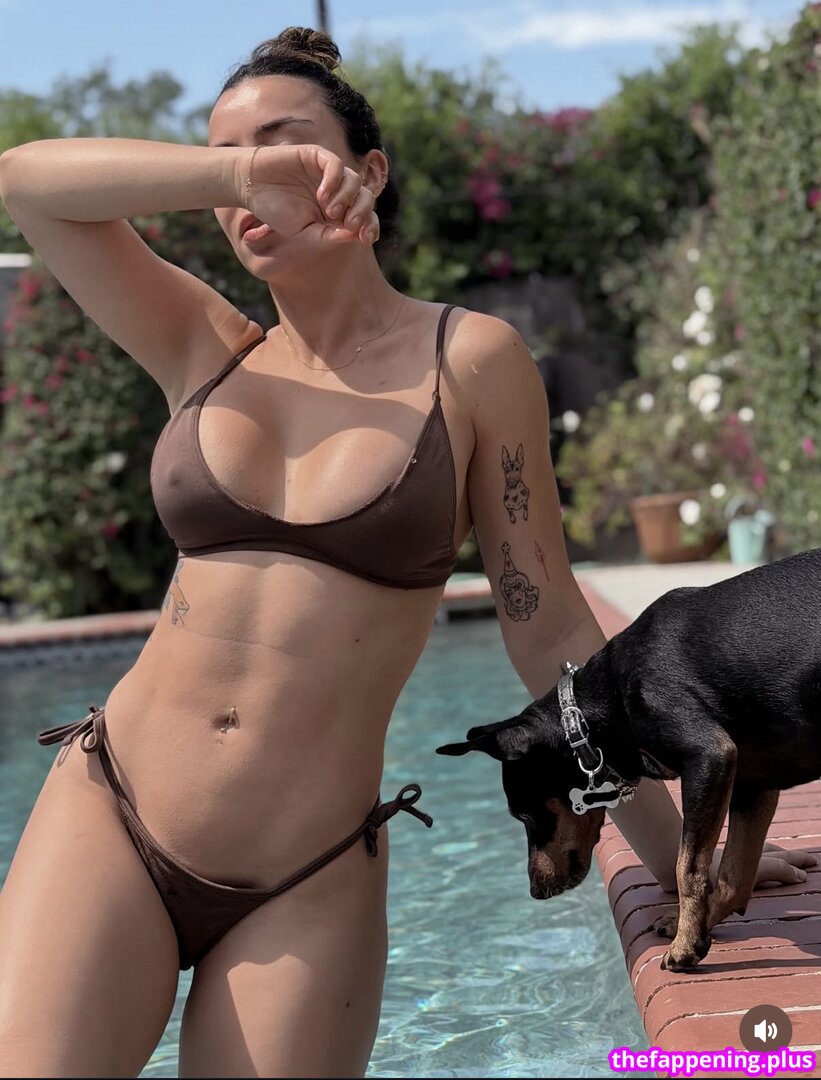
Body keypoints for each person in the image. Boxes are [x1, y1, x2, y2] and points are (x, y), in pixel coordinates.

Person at [0, 26, 813, 1079]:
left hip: (307, 872)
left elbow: (549, 628)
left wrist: (675, 858)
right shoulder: (203, 345)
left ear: (369, 172)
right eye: (225, 158)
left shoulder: (466, 360)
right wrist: (238, 173)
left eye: (288, 143)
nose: (254, 177)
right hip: (114, 812)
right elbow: (26, 183)